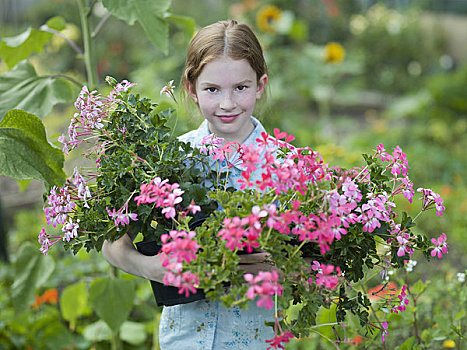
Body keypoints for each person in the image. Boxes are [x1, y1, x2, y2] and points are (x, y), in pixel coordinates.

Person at [102, 19, 276, 349]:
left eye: (240, 87)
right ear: (191, 89)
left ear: (260, 85)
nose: (227, 103)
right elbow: (112, 246)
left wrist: (280, 265)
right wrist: (153, 268)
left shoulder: (286, 165)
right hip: (182, 341)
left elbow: (317, 260)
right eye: (212, 89)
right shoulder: (166, 160)